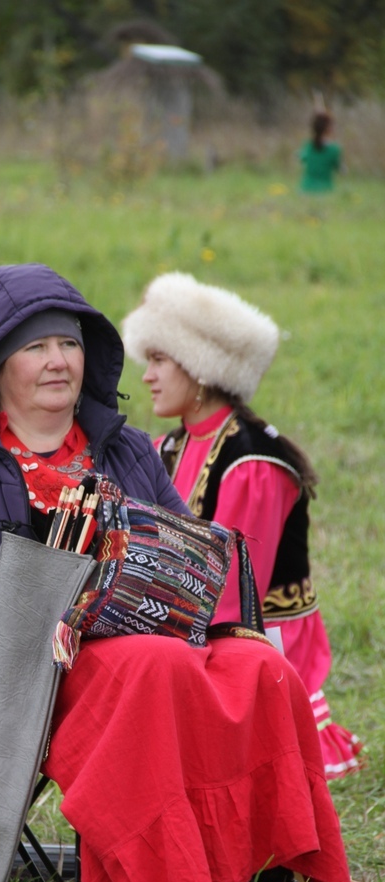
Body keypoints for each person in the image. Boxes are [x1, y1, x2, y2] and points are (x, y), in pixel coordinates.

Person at [0, 262, 351, 882]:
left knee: (261, 667)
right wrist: (89, 599)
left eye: (71, 343)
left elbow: (188, 551)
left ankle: (266, 863)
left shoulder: (129, 449)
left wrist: (177, 590)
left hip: (154, 636)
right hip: (17, 671)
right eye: (35, 347)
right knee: (150, 665)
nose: (59, 361)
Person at [121, 271, 364, 781]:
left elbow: (232, 595)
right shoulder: (174, 444)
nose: (146, 375)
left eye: (160, 359)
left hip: (256, 643)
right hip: (191, 620)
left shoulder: (251, 462)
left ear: (202, 369)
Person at [299, 109, 341, 193]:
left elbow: (301, 158)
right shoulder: (334, 149)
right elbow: (339, 168)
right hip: (325, 189)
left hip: (305, 189)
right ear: (328, 129)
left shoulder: (307, 146)